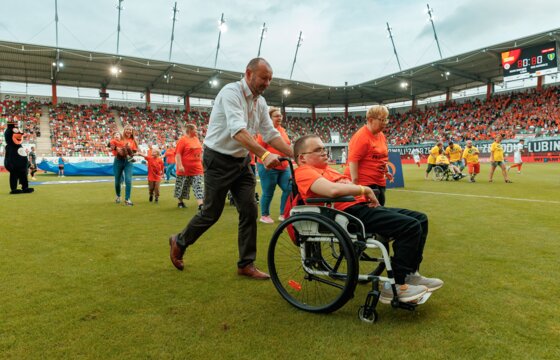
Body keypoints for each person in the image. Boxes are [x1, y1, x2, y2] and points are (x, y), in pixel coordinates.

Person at [168, 58, 293, 279]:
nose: (267, 83)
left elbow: (271, 134)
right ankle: (179, 241)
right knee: (211, 213)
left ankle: (246, 264)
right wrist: (263, 155)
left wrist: (297, 154)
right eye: (264, 78)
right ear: (249, 73)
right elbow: (238, 131)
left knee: (249, 209)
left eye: (270, 79)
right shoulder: (230, 93)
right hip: (218, 159)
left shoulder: (260, 102)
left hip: (241, 161)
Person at [293, 134, 443, 304]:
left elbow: (345, 186)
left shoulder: (328, 170)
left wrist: (353, 188)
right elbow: (333, 191)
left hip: (358, 208)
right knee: (410, 226)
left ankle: (410, 274)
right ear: (302, 158)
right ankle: (396, 285)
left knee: (420, 219)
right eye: (318, 149)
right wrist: (364, 190)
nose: (324, 152)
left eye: (324, 148)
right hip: (347, 214)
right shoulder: (304, 171)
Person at [345, 105, 393, 206]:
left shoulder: (381, 135)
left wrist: (386, 171)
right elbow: (353, 160)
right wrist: (355, 185)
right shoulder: (361, 137)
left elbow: (381, 157)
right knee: (374, 216)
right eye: (382, 120)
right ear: (371, 120)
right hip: (365, 183)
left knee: (380, 212)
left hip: (379, 182)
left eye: (386, 120)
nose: (385, 123)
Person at [256, 106, 291, 224]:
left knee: (289, 188)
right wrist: (266, 159)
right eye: (276, 116)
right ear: (270, 118)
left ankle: (283, 213)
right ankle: (264, 215)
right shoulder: (264, 131)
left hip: (284, 166)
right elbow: (258, 148)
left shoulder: (283, 130)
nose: (279, 117)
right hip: (269, 166)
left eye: (280, 115)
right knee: (268, 191)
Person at [174, 124, 204, 210]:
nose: (197, 131)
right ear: (190, 130)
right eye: (195, 129)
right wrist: (180, 165)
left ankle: (201, 204)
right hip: (184, 169)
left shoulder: (196, 139)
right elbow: (178, 154)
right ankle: (180, 202)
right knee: (182, 186)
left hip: (197, 168)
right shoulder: (182, 140)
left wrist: (203, 163)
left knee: (198, 185)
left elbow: (200, 152)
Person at [111, 126, 138, 205]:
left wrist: (133, 153)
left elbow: (135, 151)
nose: (128, 131)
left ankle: (127, 199)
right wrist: (117, 148)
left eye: (130, 129)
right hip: (118, 160)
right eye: (127, 129)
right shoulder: (119, 137)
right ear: (124, 131)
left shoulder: (134, 141)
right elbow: (110, 144)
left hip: (128, 162)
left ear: (132, 131)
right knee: (117, 181)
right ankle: (118, 196)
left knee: (128, 180)